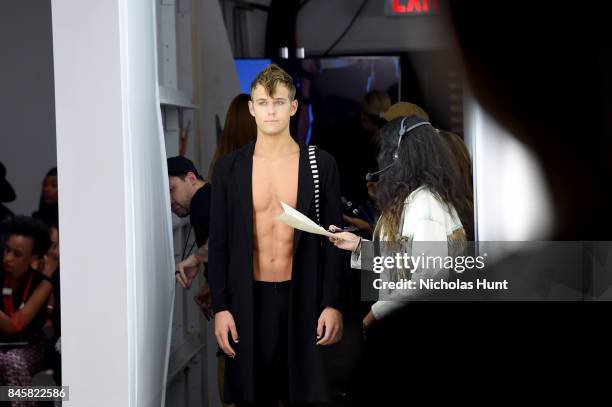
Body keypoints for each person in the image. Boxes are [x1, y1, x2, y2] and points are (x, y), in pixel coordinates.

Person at [208, 64, 344, 406]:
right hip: (247, 298)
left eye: (279, 102)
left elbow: (335, 242)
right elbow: (220, 242)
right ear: (251, 107)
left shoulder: (320, 163)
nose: (271, 111)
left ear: (293, 107)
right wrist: (221, 306)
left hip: (304, 297)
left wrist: (333, 303)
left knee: (308, 394)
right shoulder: (229, 168)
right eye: (264, 103)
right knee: (253, 396)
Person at [328, 115, 472, 325]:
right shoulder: (416, 199)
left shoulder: (425, 204)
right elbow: (404, 260)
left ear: (397, 156)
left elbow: (428, 276)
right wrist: (360, 247)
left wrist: (376, 313)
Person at [0, 216, 57, 405]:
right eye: (7, 250)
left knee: (13, 362)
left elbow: (14, 326)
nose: (8, 258)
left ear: (33, 257)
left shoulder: (42, 284)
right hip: (2, 346)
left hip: (30, 346)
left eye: (17, 254)